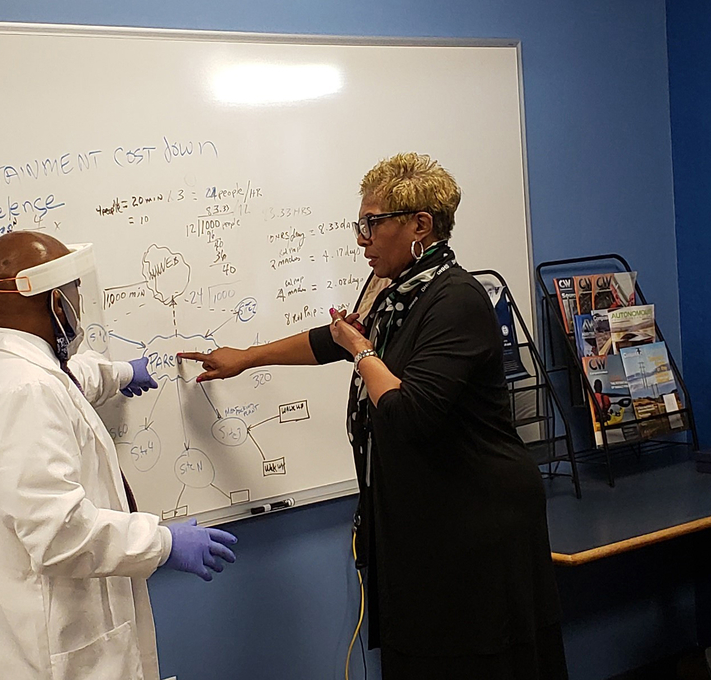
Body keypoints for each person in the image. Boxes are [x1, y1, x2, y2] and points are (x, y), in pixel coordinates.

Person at [180, 153, 567, 679]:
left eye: (372, 223)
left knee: (473, 660)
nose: (361, 238)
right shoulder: (397, 292)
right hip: (422, 518)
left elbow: (406, 411)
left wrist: (363, 351)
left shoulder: (456, 300)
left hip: (475, 523)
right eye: (359, 224)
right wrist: (246, 358)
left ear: (420, 226)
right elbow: (331, 340)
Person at [0, 231, 238, 680]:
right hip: (59, 647)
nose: (78, 300)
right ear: (53, 303)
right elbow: (58, 533)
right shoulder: (28, 391)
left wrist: (119, 373)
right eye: (73, 291)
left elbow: (67, 380)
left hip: (28, 626)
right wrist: (162, 544)